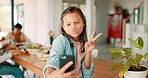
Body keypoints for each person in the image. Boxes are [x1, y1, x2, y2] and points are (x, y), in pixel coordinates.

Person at [43, 6, 102, 78]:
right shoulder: (61, 40)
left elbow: (87, 74)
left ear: (83, 23)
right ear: (63, 27)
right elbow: (52, 63)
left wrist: (88, 52)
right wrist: (51, 75)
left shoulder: (84, 43)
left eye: (77, 22)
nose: (73, 27)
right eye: (68, 24)